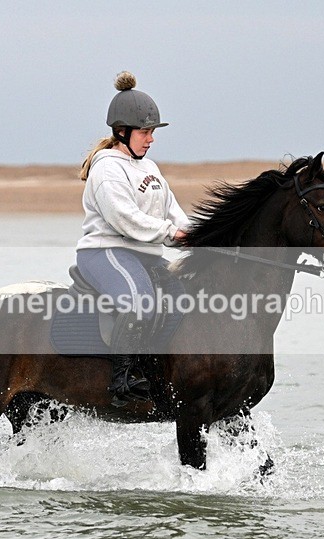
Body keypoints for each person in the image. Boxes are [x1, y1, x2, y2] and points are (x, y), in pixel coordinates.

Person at [76, 71, 190, 406]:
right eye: (144, 131)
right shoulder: (107, 169)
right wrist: (170, 234)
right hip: (106, 251)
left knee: (181, 299)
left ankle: (149, 367)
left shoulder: (150, 167)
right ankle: (120, 382)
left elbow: (171, 208)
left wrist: (193, 233)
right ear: (122, 131)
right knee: (139, 301)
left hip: (144, 253)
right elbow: (125, 219)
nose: (151, 138)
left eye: (152, 131)